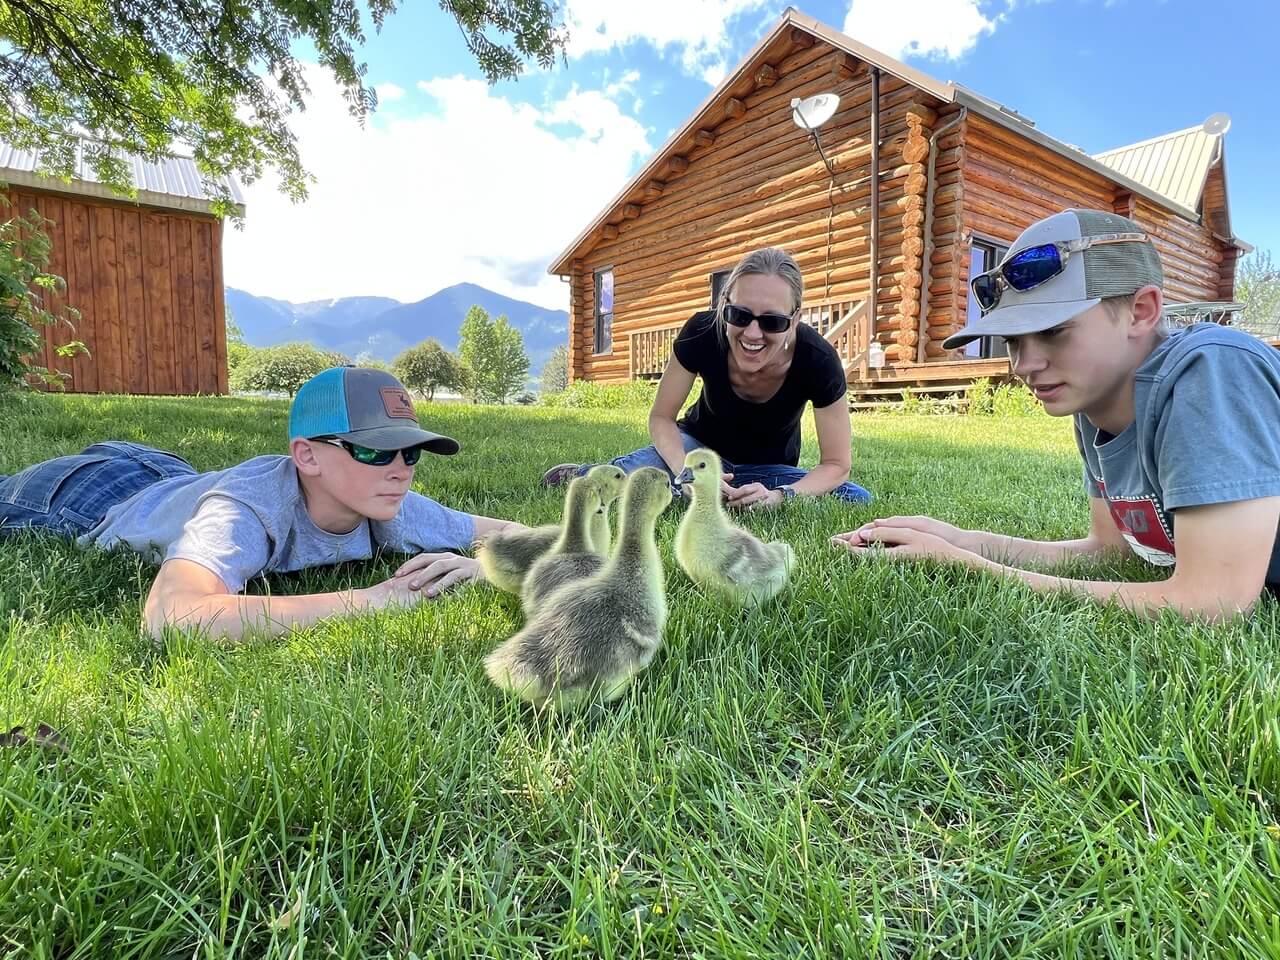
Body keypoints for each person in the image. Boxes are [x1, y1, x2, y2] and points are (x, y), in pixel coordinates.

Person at [831, 208, 1280, 621]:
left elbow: (1215, 601)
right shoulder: (1093, 399)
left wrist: (972, 567)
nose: (1024, 365)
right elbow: (1111, 552)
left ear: (1141, 312)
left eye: (1052, 331)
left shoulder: (1214, 367)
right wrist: (956, 538)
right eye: (1013, 341)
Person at [0, 366, 524, 641]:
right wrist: (376, 599)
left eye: (411, 451)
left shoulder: (390, 500)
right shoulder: (245, 510)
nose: (401, 469)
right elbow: (170, 617)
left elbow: (521, 535)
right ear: (307, 455)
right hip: (84, 496)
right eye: (374, 449)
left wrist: (479, 568)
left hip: (174, 474)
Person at [542, 247, 871, 509]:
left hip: (766, 469)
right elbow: (661, 417)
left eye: (771, 321)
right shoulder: (701, 332)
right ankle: (586, 474)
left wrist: (782, 495)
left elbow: (836, 464)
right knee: (616, 484)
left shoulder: (819, 361)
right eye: (739, 315)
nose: (752, 333)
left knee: (854, 497)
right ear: (723, 305)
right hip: (695, 450)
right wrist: (685, 473)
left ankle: (736, 489)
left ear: (796, 318)